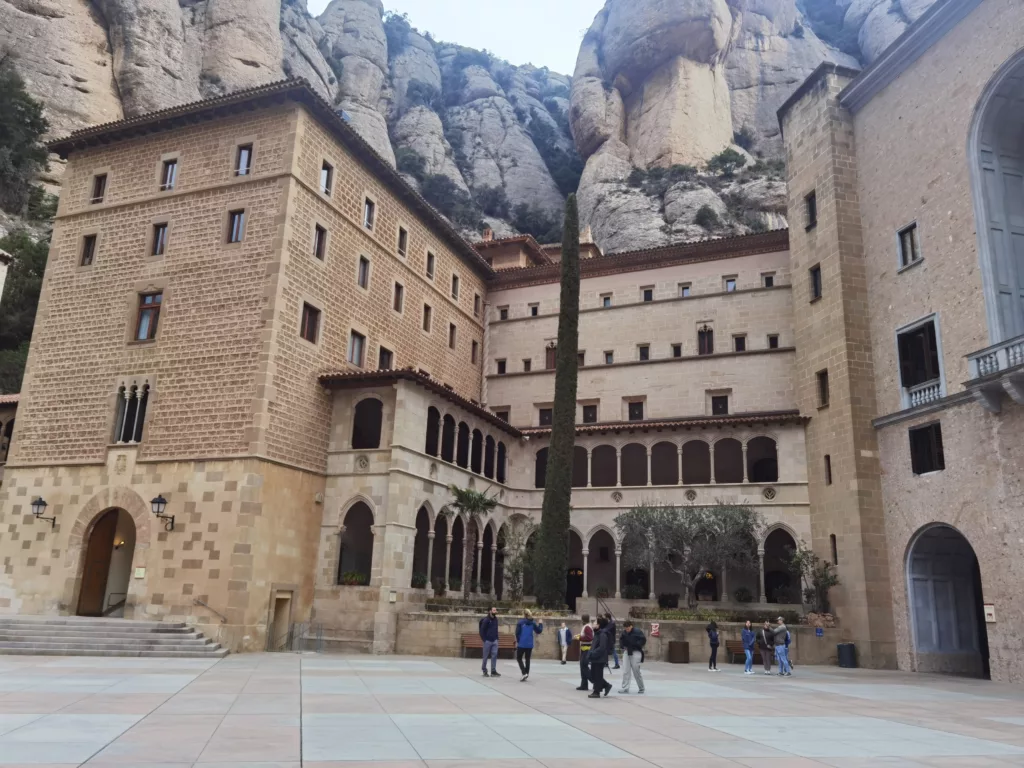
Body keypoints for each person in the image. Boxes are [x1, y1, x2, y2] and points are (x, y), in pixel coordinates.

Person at [587, 616, 614, 698]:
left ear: (598, 625)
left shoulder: (602, 634)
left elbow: (602, 648)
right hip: (595, 657)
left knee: (598, 675)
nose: (593, 624)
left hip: (600, 658)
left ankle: (597, 691)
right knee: (593, 675)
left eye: (595, 622)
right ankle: (606, 685)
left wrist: (592, 653)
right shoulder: (597, 633)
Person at [514, 609, 543, 681]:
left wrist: (518, 641)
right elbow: (539, 631)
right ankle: (526, 674)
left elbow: (517, 633)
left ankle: (524, 673)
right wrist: (540, 624)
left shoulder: (520, 623)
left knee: (519, 658)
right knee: (527, 659)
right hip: (529, 644)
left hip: (522, 643)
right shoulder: (532, 623)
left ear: (524, 614)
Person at [618, 620, 646, 694]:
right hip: (627, 651)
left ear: (631, 626)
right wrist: (622, 646)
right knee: (626, 670)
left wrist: (636, 645)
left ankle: (641, 688)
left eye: (628, 628)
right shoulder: (624, 633)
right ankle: (625, 688)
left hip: (636, 651)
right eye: (625, 629)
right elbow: (621, 640)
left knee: (636, 670)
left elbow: (643, 640)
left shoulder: (638, 632)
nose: (627, 630)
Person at [479, 606, 501, 678]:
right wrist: (484, 640)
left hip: (495, 640)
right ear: (490, 611)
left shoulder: (496, 619)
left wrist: (497, 638)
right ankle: (484, 670)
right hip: (487, 641)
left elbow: (496, 629)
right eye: (494, 610)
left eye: (495, 610)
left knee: (494, 656)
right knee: (485, 657)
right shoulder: (486, 620)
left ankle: (493, 671)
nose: (495, 611)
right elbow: (482, 631)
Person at [575, 614, 594, 691]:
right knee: (582, 667)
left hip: (587, 649)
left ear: (583, 620)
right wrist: (580, 636)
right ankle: (584, 684)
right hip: (584, 648)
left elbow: (589, 637)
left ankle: (594, 681)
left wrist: (579, 637)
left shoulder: (587, 627)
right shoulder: (587, 626)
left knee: (584, 667)